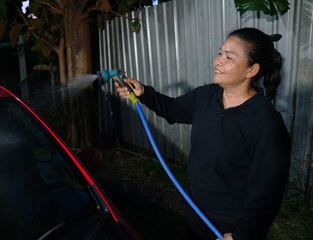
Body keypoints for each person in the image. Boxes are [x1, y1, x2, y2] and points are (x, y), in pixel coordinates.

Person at [114, 27, 291, 240]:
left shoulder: (265, 122)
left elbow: (267, 191)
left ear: (251, 70)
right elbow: (173, 109)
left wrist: (241, 235)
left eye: (229, 57)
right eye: (219, 53)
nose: (218, 61)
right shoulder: (207, 96)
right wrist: (144, 93)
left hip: (230, 228)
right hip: (195, 213)